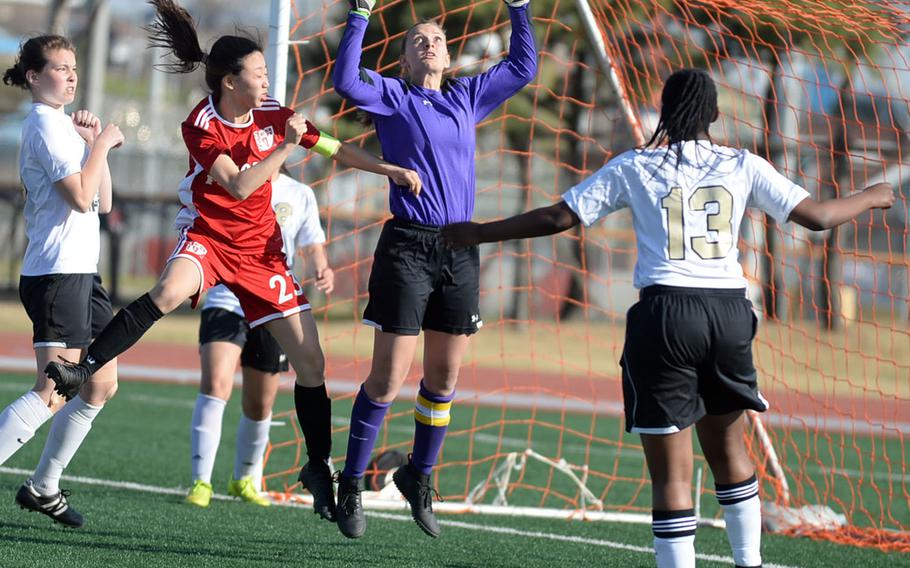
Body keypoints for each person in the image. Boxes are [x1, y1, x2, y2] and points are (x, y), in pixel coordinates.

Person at [439, 68, 895, 568]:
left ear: (666, 110)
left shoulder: (636, 166)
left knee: (673, 475)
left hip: (665, 314)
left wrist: (476, 233)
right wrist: (873, 195)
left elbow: (556, 218)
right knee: (729, 450)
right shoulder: (744, 163)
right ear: (716, 115)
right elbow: (820, 218)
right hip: (728, 314)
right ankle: (751, 563)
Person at [44, 0, 420, 524]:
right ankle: (81, 368)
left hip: (261, 252)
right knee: (168, 292)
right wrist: (287, 148)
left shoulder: (274, 115)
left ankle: (317, 467)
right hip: (210, 239)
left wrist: (385, 168)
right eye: (259, 73)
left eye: (268, 72)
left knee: (311, 364)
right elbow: (242, 184)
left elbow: (331, 146)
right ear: (229, 82)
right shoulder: (200, 124)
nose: (267, 80)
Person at [331, 0, 537, 539]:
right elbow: (347, 80)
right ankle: (350, 481)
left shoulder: (467, 97)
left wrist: (519, 8)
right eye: (418, 39)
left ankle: (418, 477)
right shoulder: (393, 96)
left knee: (443, 379)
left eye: (439, 40)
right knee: (389, 376)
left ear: (448, 57)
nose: (430, 44)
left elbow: (522, 68)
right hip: (406, 247)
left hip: (460, 248)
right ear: (403, 58)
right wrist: (359, 16)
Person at [0, 34, 124, 528]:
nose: (71, 75)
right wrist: (103, 144)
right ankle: (41, 483)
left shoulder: (65, 129)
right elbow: (78, 195)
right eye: (60, 67)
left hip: (80, 273)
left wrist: (98, 146)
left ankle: (43, 486)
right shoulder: (45, 127)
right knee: (53, 390)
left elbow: (104, 202)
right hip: (56, 274)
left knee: (101, 384)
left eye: (74, 66)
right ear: (34, 76)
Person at [186, 170, 334, 508]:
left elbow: (312, 243)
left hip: (273, 305)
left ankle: (246, 480)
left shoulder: (299, 193)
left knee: (260, 402)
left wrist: (322, 267)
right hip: (226, 299)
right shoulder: (233, 180)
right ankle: (200, 482)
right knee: (216, 384)